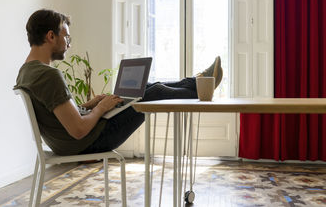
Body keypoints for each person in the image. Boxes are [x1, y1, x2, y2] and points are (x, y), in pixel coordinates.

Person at [14, 9, 223, 156]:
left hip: (67, 143)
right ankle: (202, 86)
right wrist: (102, 108)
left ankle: (197, 81)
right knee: (155, 92)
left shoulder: (27, 71)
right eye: (66, 37)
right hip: (86, 141)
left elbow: (60, 116)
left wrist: (92, 104)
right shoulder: (48, 75)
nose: (69, 42)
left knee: (147, 87)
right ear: (51, 36)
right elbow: (77, 130)